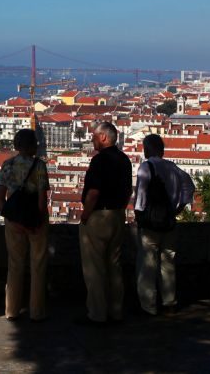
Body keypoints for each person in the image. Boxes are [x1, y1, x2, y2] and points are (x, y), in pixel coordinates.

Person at [134, 134, 195, 316]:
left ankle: (149, 306)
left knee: (147, 265)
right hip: (169, 222)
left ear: (148, 149)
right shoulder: (173, 168)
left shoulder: (147, 167)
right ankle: (169, 303)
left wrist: (139, 216)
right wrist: (177, 210)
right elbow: (189, 188)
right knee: (168, 264)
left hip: (150, 223)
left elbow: (141, 196)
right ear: (162, 150)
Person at [78, 121, 133, 325]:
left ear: (103, 137)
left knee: (95, 267)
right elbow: (128, 191)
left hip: (99, 216)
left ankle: (97, 314)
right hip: (118, 215)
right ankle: (116, 311)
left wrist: (85, 215)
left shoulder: (100, 161)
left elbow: (93, 192)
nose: (92, 139)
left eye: (94, 136)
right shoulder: (124, 159)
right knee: (114, 266)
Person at [0, 129, 50, 322]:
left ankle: (11, 310)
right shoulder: (39, 166)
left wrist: (9, 217)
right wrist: (38, 221)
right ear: (33, 145)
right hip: (36, 221)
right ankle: (37, 311)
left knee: (15, 265)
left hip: (14, 220)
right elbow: (42, 199)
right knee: (38, 265)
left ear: (17, 146)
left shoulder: (8, 165)